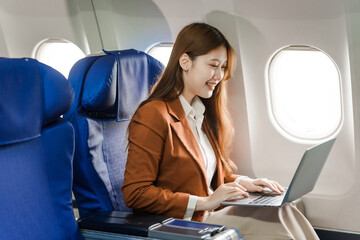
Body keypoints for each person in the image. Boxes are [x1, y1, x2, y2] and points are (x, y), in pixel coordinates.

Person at [122, 22, 319, 240]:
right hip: (184, 224)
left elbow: (206, 175)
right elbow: (136, 193)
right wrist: (205, 201)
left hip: (209, 214)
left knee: (285, 209)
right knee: (275, 227)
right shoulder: (154, 114)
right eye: (213, 65)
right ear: (185, 62)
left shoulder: (199, 112)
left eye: (223, 67)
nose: (219, 75)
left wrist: (244, 182)